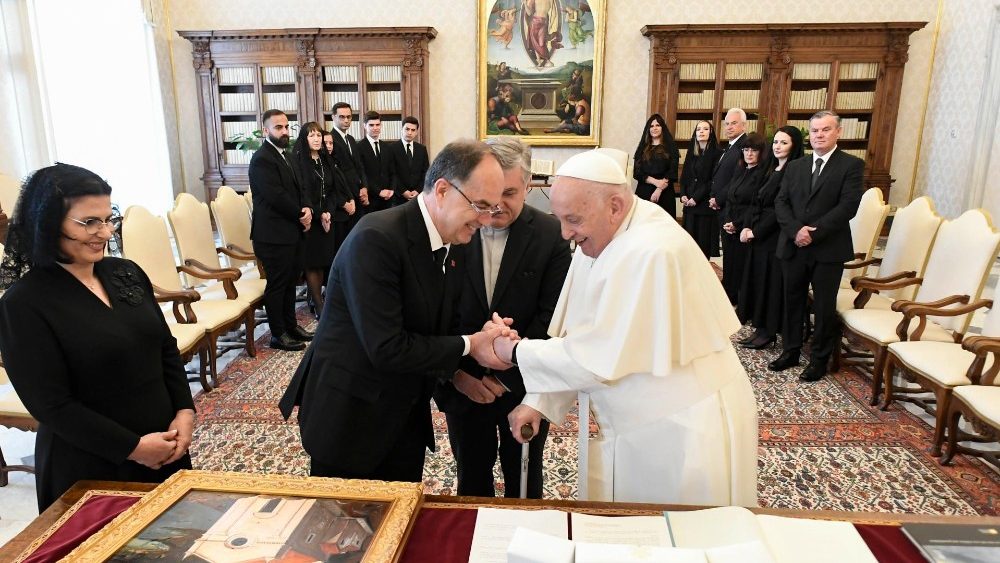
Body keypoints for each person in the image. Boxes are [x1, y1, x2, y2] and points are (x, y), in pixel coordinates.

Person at [494, 150, 759, 506]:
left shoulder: (650, 252)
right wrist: (540, 401)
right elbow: (585, 336)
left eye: (573, 219)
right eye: (559, 219)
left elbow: (596, 356)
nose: (565, 233)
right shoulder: (606, 235)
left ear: (615, 206)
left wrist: (510, 350)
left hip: (680, 427)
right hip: (640, 422)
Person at [279, 140, 510, 483]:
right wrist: (470, 345)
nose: (487, 220)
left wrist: (465, 368)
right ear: (443, 190)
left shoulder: (456, 240)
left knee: (400, 522)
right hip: (350, 418)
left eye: (492, 208)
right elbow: (387, 347)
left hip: (403, 412)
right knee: (343, 530)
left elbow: (435, 327)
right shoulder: (377, 239)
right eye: (480, 205)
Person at [0, 163, 195, 511]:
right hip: (92, 463)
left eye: (109, 218)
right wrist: (134, 448)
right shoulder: (24, 303)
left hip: (165, 446)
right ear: (47, 224)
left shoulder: (126, 273)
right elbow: (52, 405)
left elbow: (164, 347)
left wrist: (184, 411)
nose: (105, 233)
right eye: (89, 222)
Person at [435, 138, 571, 498]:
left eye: (509, 192)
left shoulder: (551, 235)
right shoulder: (452, 229)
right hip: (465, 383)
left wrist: (507, 367)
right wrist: (458, 374)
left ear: (528, 185)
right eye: (488, 193)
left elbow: (554, 318)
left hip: (526, 386)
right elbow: (436, 314)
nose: (495, 205)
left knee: (525, 482)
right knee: (471, 479)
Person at [770, 111, 863, 382]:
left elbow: (848, 206)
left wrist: (815, 232)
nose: (819, 135)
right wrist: (795, 230)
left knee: (823, 306)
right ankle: (791, 351)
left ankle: (819, 359)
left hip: (828, 248)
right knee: (792, 300)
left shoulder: (851, 165)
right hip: (793, 245)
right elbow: (781, 202)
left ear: (838, 132)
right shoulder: (797, 166)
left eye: (825, 130)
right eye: (814, 131)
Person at [249, 109, 314, 351]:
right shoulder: (262, 159)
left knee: (290, 283)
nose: (285, 131)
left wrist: (307, 208)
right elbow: (276, 196)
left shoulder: (287, 155)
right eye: (279, 127)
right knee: (278, 285)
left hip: (292, 232)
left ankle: (291, 325)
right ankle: (278, 334)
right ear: (266, 130)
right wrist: (301, 215)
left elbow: (301, 187)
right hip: (272, 236)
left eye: (287, 127)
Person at [737, 126, 805, 349]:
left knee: (771, 286)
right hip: (757, 235)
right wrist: (746, 227)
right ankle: (760, 327)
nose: (777, 146)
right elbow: (754, 200)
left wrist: (757, 231)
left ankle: (768, 331)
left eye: (783, 143)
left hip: (774, 237)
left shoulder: (794, 172)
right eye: (775, 142)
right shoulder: (770, 168)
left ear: (794, 146)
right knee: (758, 283)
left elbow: (780, 210)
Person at [292, 122, 340, 319]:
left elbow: (333, 190)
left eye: (318, 135)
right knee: (312, 263)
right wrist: (319, 213)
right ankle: (319, 305)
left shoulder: (325, 160)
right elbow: (303, 193)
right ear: (304, 139)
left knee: (323, 262)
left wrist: (329, 211)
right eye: (312, 136)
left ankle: (316, 298)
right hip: (310, 220)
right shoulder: (298, 162)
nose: (316, 139)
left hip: (326, 219)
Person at [720, 132, 769, 316]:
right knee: (730, 264)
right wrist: (727, 221)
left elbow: (755, 204)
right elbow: (730, 198)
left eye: (753, 150)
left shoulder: (762, 174)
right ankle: (729, 298)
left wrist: (738, 224)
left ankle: (743, 304)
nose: (749, 153)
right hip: (730, 225)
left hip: (745, 227)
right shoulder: (740, 170)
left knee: (742, 268)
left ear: (761, 152)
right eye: (746, 149)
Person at [711, 108, 749, 305]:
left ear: (744, 125)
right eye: (727, 123)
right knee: (728, 254)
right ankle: (729, 290)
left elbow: (738, 178)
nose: (729, 127)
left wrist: (718, 198)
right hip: (724, 207)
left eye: (734, 123)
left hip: (734, 209)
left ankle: (734, 294)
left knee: (735, 257)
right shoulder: (729, 147)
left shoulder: (745, 146)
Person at [679, 120, 722, 258]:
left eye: (705, 129)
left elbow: (712, 180)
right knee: (688, 245)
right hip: (689, 205)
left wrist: (695, 198)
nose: (701, 132)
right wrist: (683, 194)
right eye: (698, 129)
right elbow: (685, 176)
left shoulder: (717, 153)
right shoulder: (692, 152)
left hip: (704, 205)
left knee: (702, 247)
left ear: (711, 132)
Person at [632, 114, 681, 219]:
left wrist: (659, 189)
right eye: (651, 126)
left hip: (665, 193)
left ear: (662, 128)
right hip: (644, 192)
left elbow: (672, 172)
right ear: (648, 129)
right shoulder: (642, 148)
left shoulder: (671, 148)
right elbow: (637, 173)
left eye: (657, 125)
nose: (654, 128)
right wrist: (656, 182)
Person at [330, 102, 369, 219]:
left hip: (359, 195)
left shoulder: (351, 139)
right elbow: (335, 175)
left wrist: (364, 187)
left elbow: (359, 166)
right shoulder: (329, 140)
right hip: (344, 200)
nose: (346, 120)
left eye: (349, 117)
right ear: (333, 117)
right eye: (342, 117)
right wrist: (346, 200)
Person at [323, 129, 359, 254]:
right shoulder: (322, 165)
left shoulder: (334, 161)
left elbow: (344, 184)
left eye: (331, 143)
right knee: (336, 252)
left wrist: (352, 199)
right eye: (325, 143)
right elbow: (330, 190)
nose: (328, 146)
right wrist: (344, 204)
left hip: (346, 213)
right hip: (336, 213)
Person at [386, 116, 430, 204]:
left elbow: (426, 172)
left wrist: (418, 190)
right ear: (402, 129)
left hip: (417, 196)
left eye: (413, 130)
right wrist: (403, 191)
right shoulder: (391, 148)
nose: (409, 132)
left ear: (416, 132)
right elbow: (392, 173)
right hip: (398, 197)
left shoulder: (422, 149)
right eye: (407, 129)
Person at [357, 111, 395, 212]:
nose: (375, 128)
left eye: (378, 125)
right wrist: (379, 192)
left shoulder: (387, 147)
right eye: (371, 125)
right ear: (365, 126)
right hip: (370, 200)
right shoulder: (359, 147)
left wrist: (391, 190)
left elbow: (393, 172)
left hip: (388, 199)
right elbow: (362, 174)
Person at [523, 0, 562, 68]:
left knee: (541, 43)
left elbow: (554, 14)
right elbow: (529, 13)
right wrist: (525, 3)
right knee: (535, 41)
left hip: (544, 22)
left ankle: (547, 60)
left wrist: (550, 25)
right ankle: (539, 61)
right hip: (534, 22)